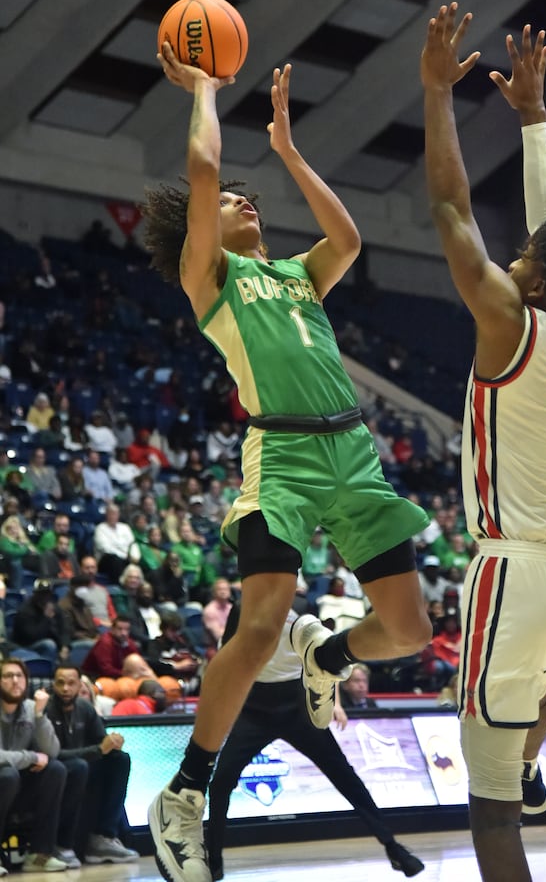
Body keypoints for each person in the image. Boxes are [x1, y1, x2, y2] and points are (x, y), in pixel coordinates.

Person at [142, 44, 431, 882]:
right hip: (285, 453)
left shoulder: (299, 276)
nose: (243, 200)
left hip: (353, 451)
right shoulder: (212, 278)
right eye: (233, 201)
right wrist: (203, 88)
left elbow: (347, 234)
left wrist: (292, 154)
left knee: (408, 631)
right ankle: (186, 792)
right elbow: (201, 170)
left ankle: (329, 659)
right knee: (260, 621)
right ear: (202, 231)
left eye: (247, 196)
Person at [420, 3, 546, 882]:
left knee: (490, 817)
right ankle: (531, 753)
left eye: (528, 254)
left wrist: (436, 97)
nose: (516, 251)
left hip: (519, 569)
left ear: (539, 280)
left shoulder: (506, 322)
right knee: (535, 692)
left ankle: (516, 771)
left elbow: (446, 203)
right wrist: (534, 122)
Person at [205, 607, 423, 881]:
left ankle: (392, 846)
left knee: (344, 775)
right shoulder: (243, 608)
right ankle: (213, 860)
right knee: (221, 782)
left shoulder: (304, 610)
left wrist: (335, 703)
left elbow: (325, 660)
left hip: (298, 706)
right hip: (254, 708)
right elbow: (228, 658)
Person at [45, 664, 139, 866]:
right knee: (79, 766)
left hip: (83, 766)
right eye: (60, 683)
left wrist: (113, 743)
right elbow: (51, 754)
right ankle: (61, 844)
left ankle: (103, 837)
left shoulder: (85, 708)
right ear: (53, 685)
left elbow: (101, 742)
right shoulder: (46, 710)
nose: (65, 688)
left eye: (71, 683)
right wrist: (98, 750)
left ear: (80, 685)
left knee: (120, 759)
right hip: (55, 770)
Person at [0, 657, 68, 873]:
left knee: (56, 769)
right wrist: (30, 757)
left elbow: (52, 752)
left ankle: (39, 854)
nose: (15, 681)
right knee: (8, 775)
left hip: (19, 788)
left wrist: (39, 715)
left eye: (19, 676)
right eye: (8, 676)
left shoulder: (31, 708)